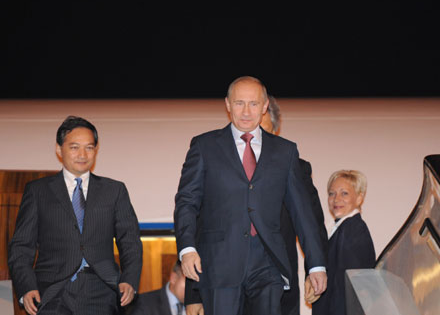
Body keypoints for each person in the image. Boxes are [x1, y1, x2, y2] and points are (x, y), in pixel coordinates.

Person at [174, 76, 328, 315]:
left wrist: (316, 265)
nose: (246, 111)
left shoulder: (285, 151)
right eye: (239, 103)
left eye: (254, 104)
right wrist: (187, 249)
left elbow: (303, 214)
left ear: (265, 106)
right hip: (220, 263)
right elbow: (187, 202)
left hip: (269, 262)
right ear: (227, 104)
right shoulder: (204, 146)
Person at [8, 115, 143, 315]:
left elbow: (130, 241)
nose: (82, 154)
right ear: (58, 149)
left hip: (101, 289)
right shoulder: (38, 191)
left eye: (89, 147)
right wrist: (26, 286)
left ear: (96, 150)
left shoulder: (114, 190)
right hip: (51, 291)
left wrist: (129, 280)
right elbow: (21, 246)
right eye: (74, 147)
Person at [304, 170, 376, 315]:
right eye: (331, 193)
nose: (336, 199)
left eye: (344, 193)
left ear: (359, 198)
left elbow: (347, 288)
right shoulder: (338, 228)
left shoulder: (353, 229)